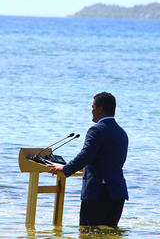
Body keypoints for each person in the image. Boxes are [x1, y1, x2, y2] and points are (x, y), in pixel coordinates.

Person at [48, 92, 129, 227]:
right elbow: (110, 160)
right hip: (117, 193)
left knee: (87, 232)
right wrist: (87, 166)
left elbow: (85, 155)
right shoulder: (122, 132)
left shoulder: (96, 130)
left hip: (98, 193)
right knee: (109, 234)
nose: (91, 111)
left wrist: (65, 169)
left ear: (100, 109)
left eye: (92, 107)